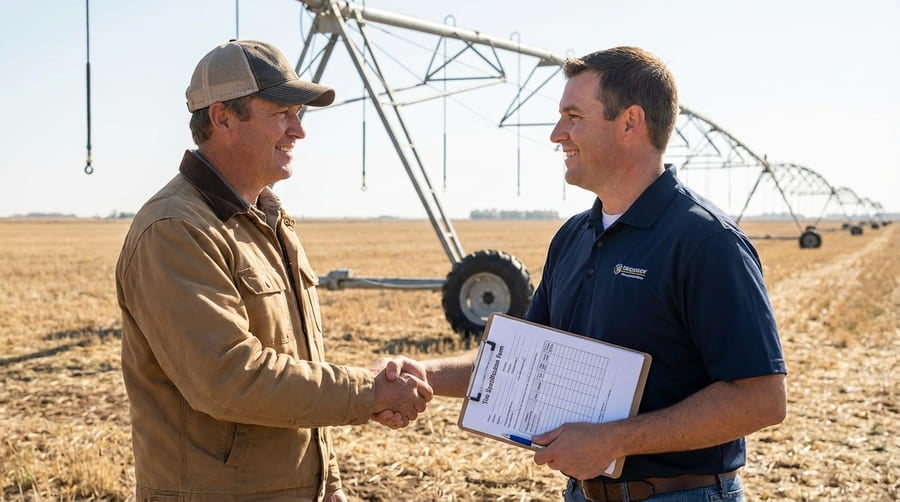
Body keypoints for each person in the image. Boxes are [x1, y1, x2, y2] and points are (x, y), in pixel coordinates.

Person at [382, 46, 787, 502]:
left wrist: (616, 440)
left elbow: (761, 399)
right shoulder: (574, 236)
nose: (557, 134)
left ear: (631, 123)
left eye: (573, 116)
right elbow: (514, 361)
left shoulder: (705, 242)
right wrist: (423, 374)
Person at [115, 40, 432, 502]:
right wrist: (370, 392)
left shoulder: (267, 218)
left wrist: (330, 485)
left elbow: (299, 367)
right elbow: (229, 379)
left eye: (298, 114)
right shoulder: (176, 229)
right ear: (222, 117)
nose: (298, 131)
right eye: (281, 113)